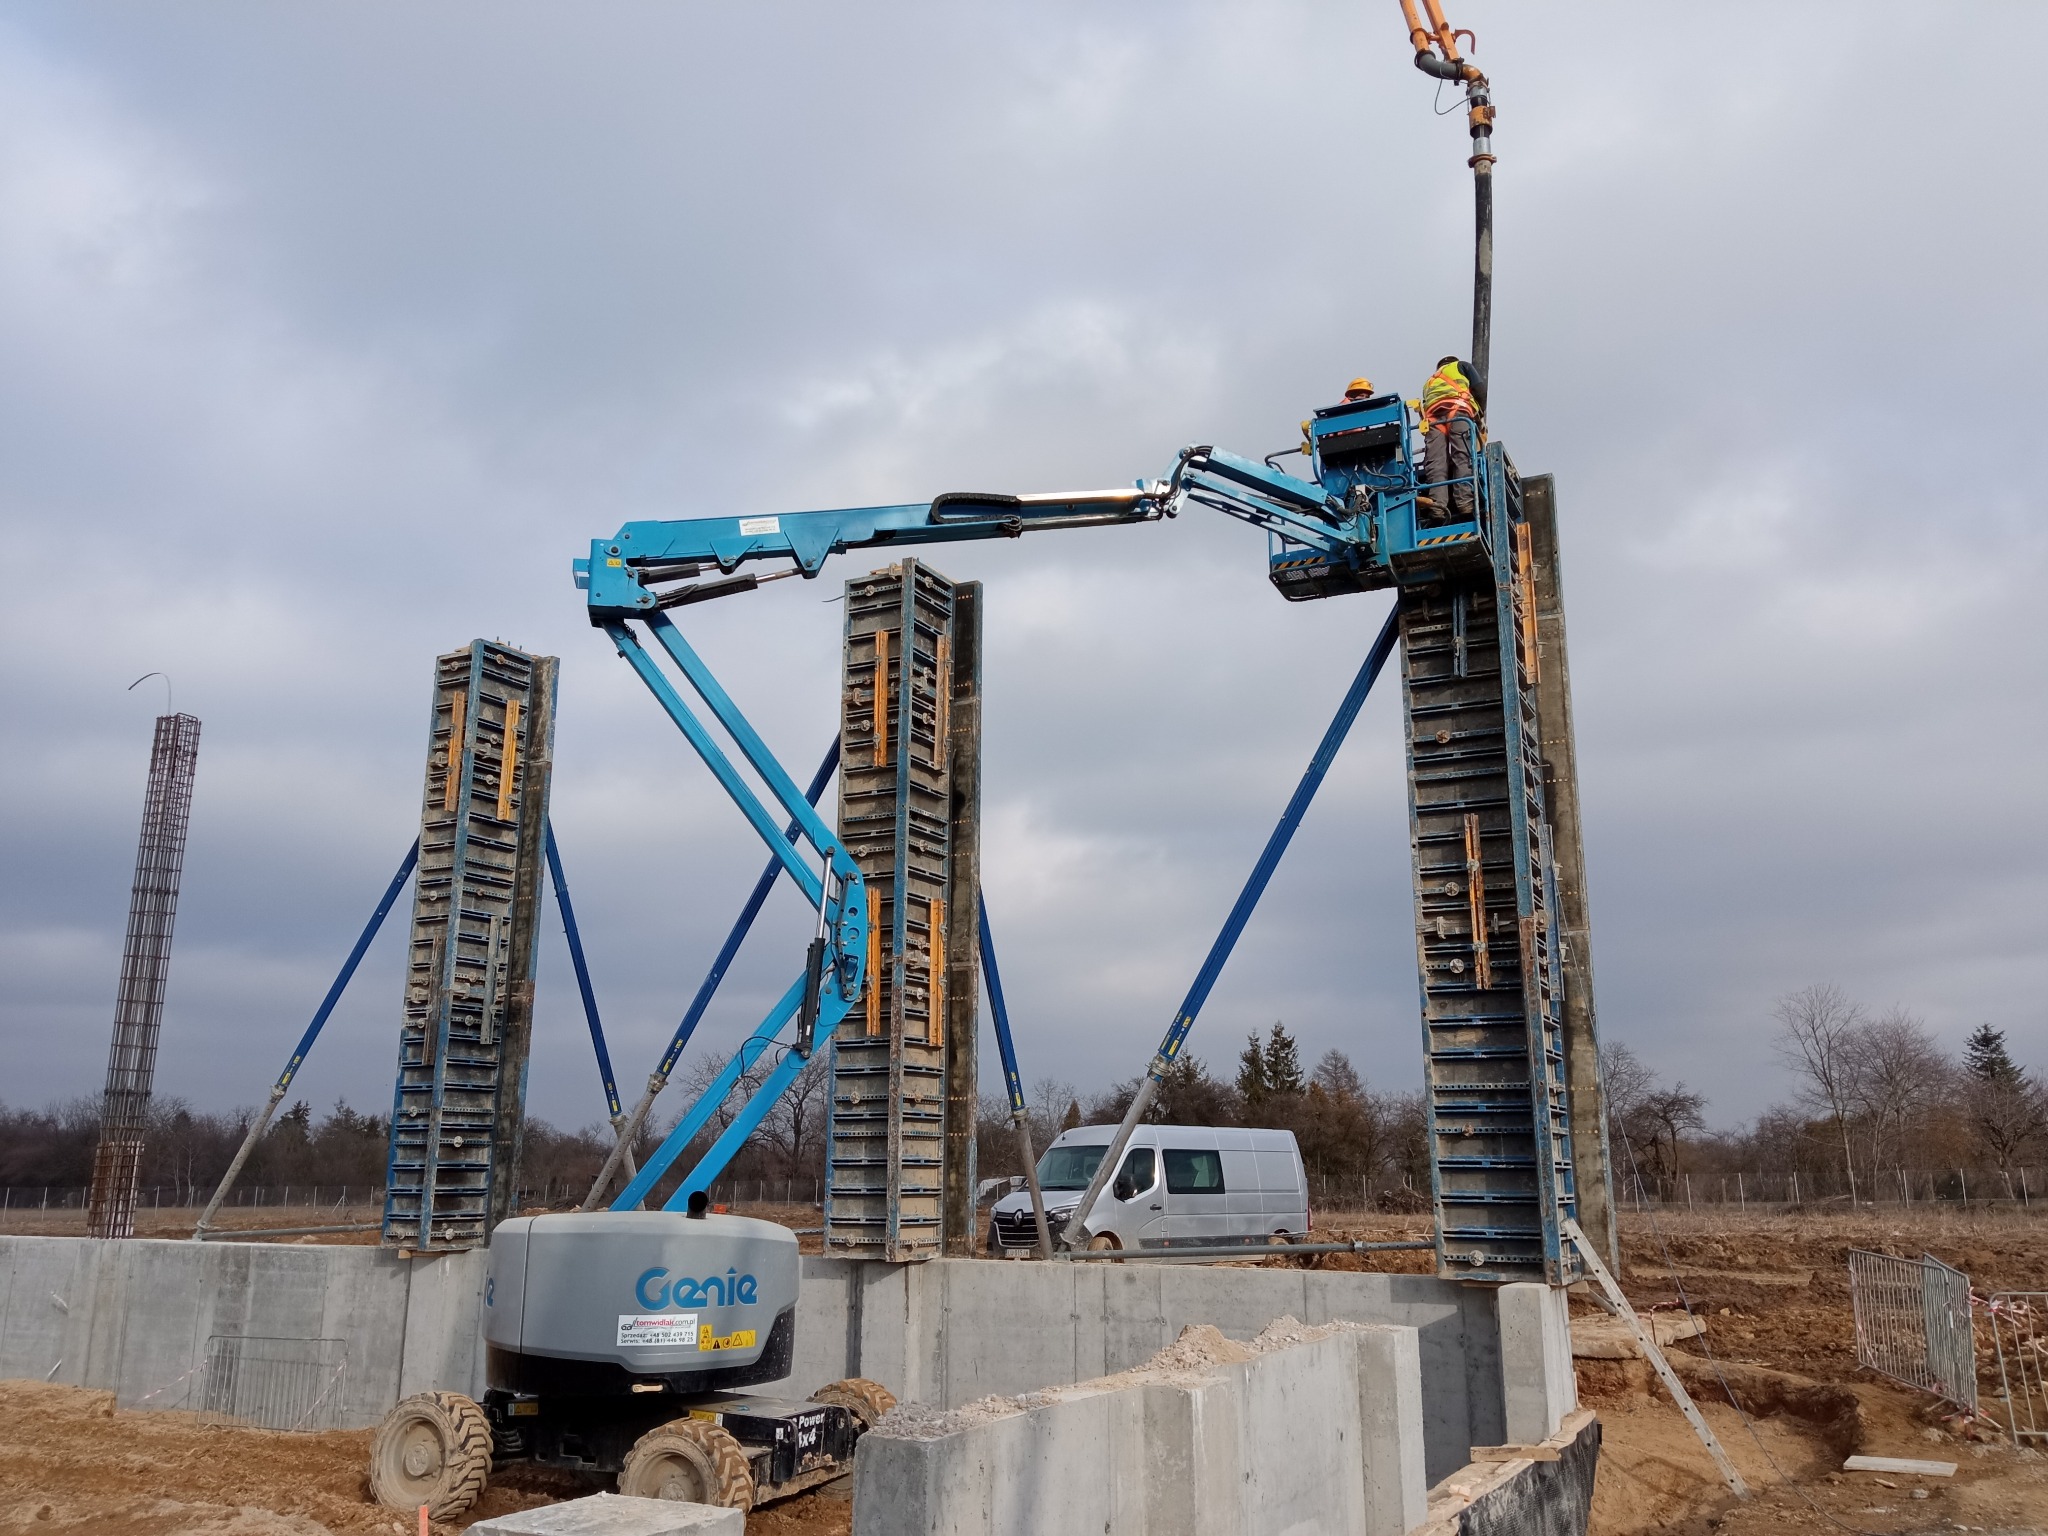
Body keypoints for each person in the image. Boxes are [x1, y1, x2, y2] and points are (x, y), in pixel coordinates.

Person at [1414, 356, 1485, 524]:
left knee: (1436, 465)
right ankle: (1466, 507)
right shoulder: (1461, 366)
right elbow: (1479, 388)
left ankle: (1438, 511)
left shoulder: (1429, 382)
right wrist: (1480, 414)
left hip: (1434, 422)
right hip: (1458, 413)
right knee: (1462, 458)